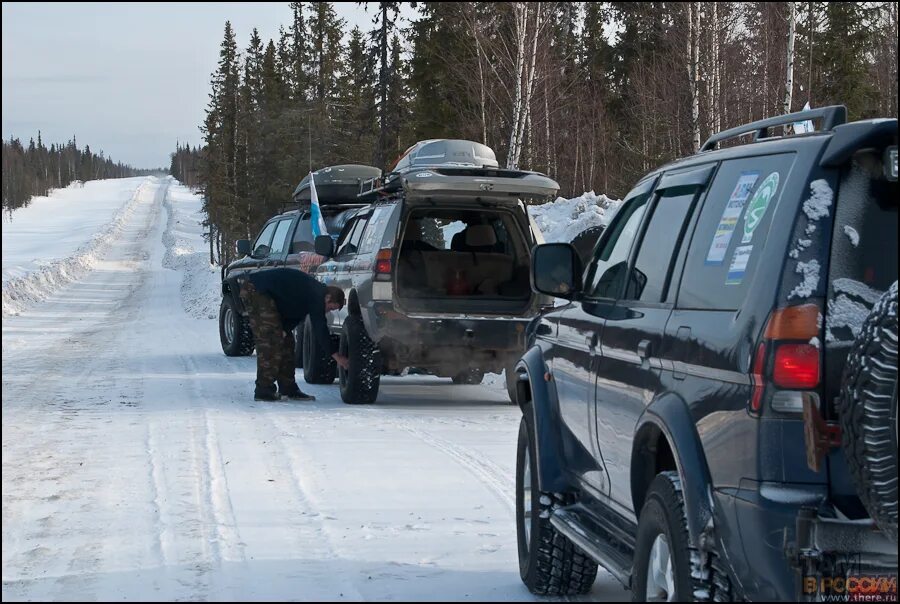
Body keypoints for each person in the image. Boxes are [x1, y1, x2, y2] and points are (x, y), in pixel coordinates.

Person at [229, 268, 350, 401]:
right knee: (270, 341)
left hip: (270, 296)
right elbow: (320, 329)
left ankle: (288, 388)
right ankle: (264, 390)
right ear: (327, 298)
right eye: (330, 308)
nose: (328, 312)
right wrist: (337, 357)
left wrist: (285, 330)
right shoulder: (317, 295)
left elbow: (295, 312)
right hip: (257, 290)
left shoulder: (312, 294)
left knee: (287, 342)